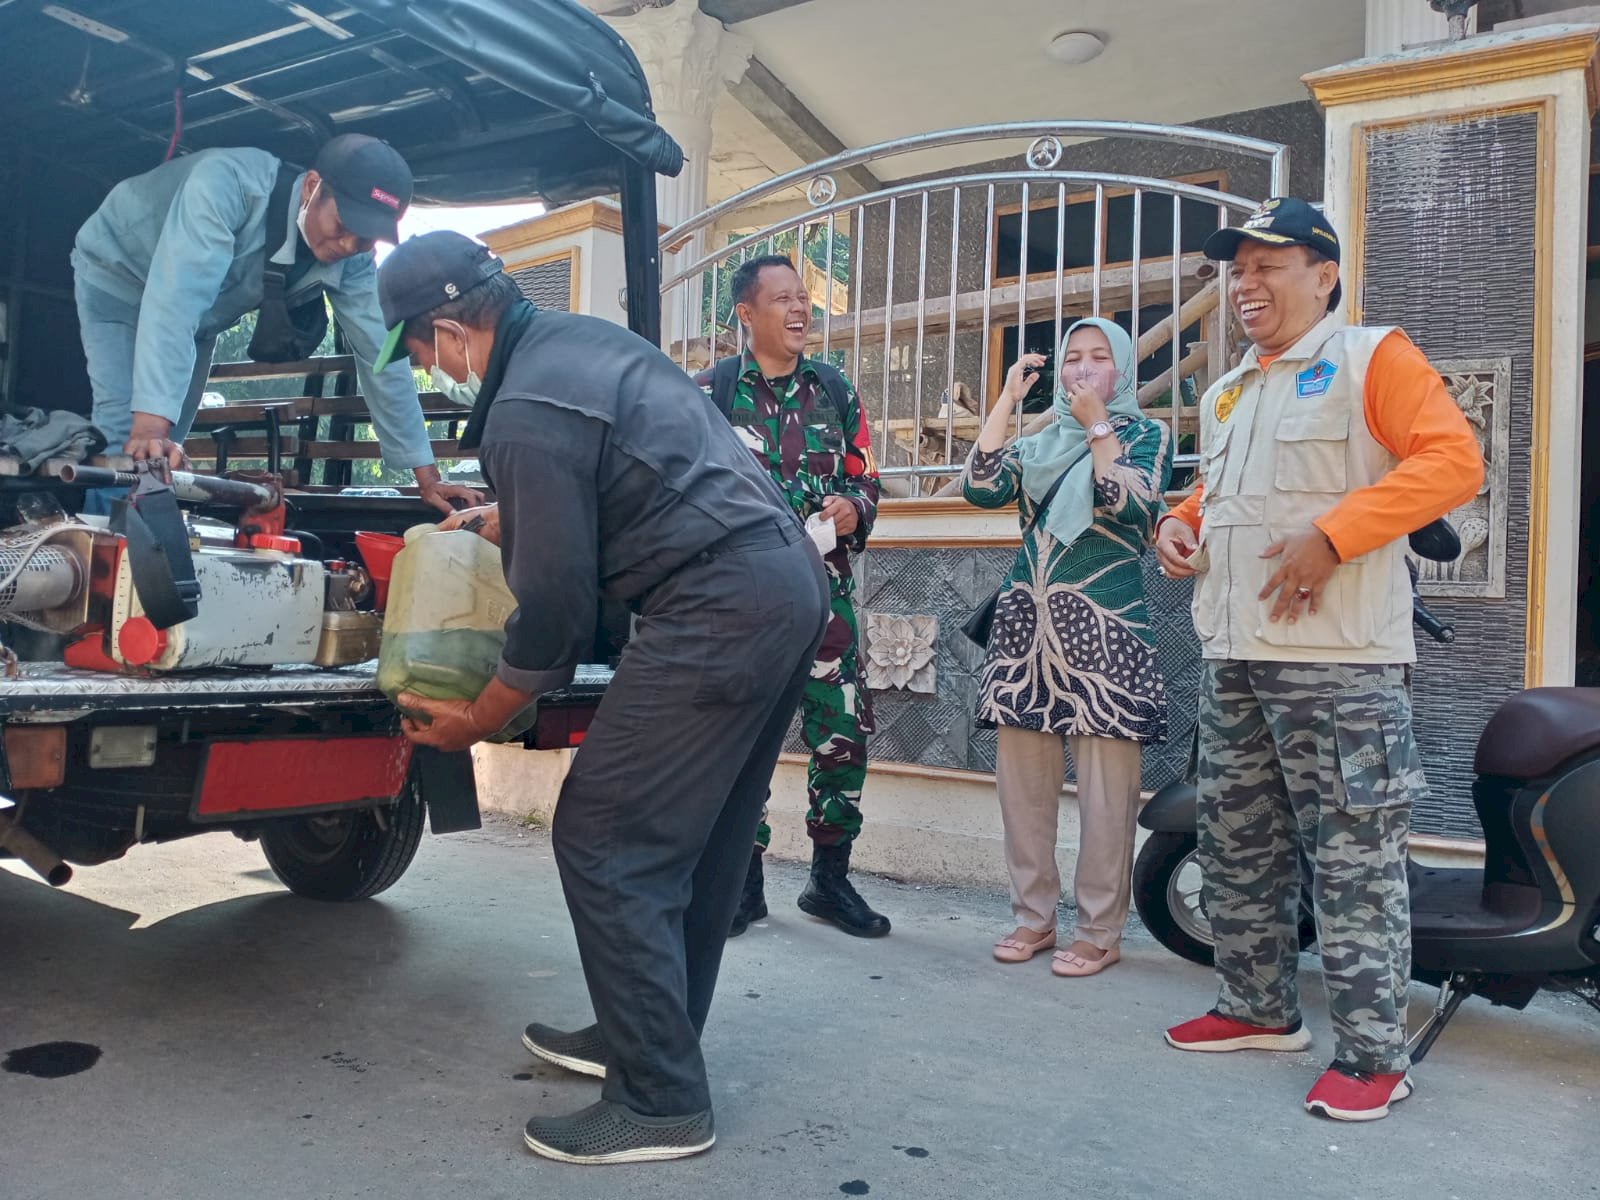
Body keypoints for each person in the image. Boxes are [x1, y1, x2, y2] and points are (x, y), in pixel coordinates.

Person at [381, 232, 827, 1164]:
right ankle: (647, 1041)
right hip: (781, 581)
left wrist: (477, 718)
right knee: (690, 844)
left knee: (607, 835)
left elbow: (551, 608)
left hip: (717, 603)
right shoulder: (582, 344)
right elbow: (629, 480)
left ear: (453, 328)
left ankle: (662, 1100)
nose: (430, 370)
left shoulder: (525, 412)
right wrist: (521, 514)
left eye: (422, 351)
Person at [1154, 197, 1483, 1121]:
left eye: (1269, 265)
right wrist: (1178, 526)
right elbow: (1213, 492)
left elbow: (1453, 462)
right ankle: (1256, 1007)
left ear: (1324, 273)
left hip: (1339, 667)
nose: (1246, 284)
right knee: (1236, 846)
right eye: (1238, 269)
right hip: (1236, 657)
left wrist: (1335, 536)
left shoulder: (1372, 357)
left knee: (1352, 861)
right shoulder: (1232, 390)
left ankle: (1375, 1056)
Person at [70, 135, 478, 512]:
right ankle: (101, 563)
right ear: (312, 187)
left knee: (167, 442)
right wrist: (149, 425)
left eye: (367, 237)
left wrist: (427, 477)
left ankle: (140, 561)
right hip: (118, 275)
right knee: (131, 431)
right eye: (345, 225)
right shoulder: (225, 185)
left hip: (201, 316)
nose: (350, 246)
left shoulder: (352, 261)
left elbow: (381, 356)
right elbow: (174, 301)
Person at [963, 318, 1173, 978]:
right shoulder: (1040, 441)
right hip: (1028, 633)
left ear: (1123, 375)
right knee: (1023, 792)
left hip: (1108, 634)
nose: (1082, 369)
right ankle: (1032, 919)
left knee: (1109, 799)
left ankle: (1100, 930)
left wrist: (1098, 428)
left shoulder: (1146, 434)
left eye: (1098, 358)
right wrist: (1005, 399)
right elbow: (980, 484)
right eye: (1071, 359)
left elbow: (1127, 507)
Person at [695, 254, 889, 939]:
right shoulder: (711, 395)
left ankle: (829, 882)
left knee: (841, 734)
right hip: (744, 603)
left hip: (825, 598)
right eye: (782, 299)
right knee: (743, 742)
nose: (800, 309)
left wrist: (852, 507)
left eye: (804, 298)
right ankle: (742, 886)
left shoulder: (834, 390)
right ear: (746, 314)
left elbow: (868, 479)